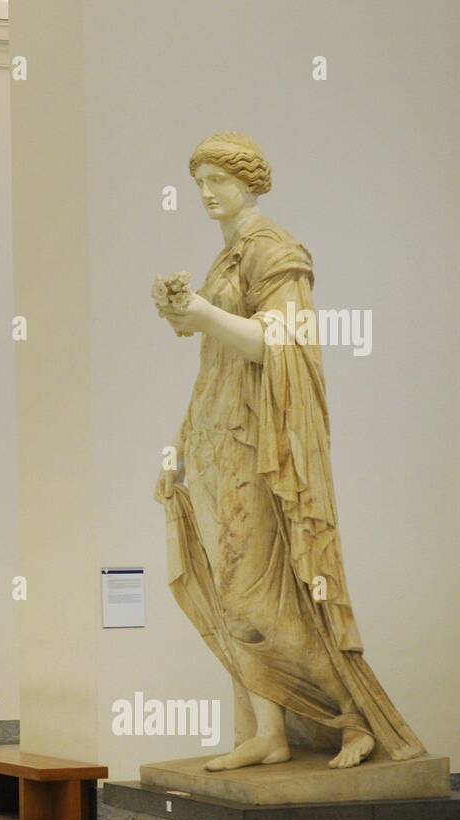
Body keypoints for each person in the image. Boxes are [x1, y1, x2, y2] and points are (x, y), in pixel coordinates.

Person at [155, 132, 424, 771]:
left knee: (259, 596)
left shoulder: (277, 253)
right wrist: (178, 444)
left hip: (258, 442)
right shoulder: (226, 260)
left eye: (217, 179)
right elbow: (216, 360)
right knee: (228, 596)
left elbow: (281, 344)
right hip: (215, 435)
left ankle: (350, 715)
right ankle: (268, 732)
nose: (206, 193)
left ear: (248, 180)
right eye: (199, 183)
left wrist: (200, 311)